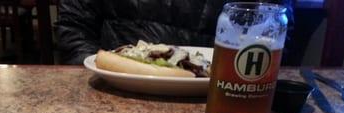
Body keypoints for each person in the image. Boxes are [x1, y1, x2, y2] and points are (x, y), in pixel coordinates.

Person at [56, 0, 294, 65]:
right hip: (107, 96)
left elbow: (276, 25)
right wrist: (97, 70)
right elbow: (73, 28)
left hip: (215, 99)